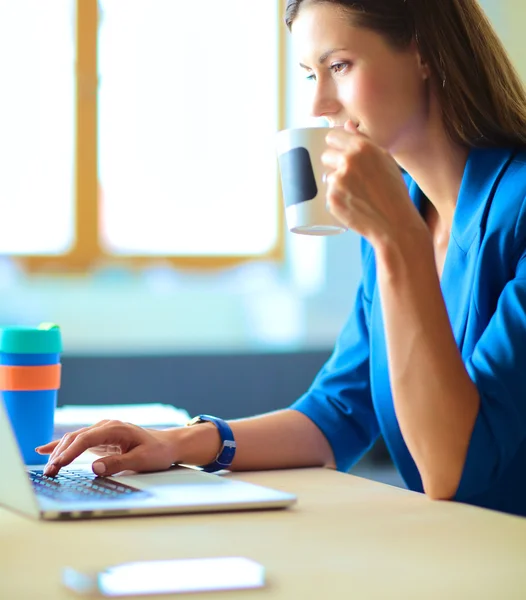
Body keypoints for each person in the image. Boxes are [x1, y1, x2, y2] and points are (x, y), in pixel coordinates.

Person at [37, 0, 526, 517]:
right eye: (310, 74)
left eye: (339, 66)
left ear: (424, 52)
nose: (318, 103)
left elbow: (453, 470)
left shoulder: (429, 223)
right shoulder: (400, 215)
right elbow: (336, 413)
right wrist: (176, 443)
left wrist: (397, 241)